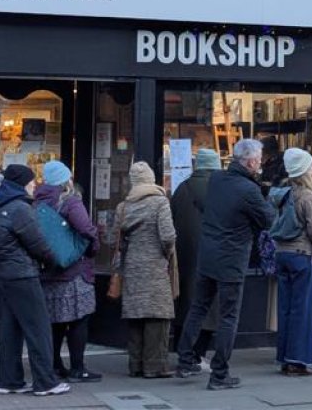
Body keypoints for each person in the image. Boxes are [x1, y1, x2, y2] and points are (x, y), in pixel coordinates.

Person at [176, 139, 275, 389]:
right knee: (228, 316)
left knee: (199, 307)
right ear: (251, 161)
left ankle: (186, 358)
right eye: (259, 158)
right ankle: (219, 373)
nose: (261, 162)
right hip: (231, 258)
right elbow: (268, 219)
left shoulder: (218, 180)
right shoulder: (248, 189)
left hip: (208, 254)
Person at [0, 164, 69, 396]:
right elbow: (38, 245)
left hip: (4, 274)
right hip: (23, 275)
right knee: (39, 329)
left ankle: (9, 380)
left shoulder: (0, 206)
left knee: (11, 330)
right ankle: (46, 382)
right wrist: (55, 261)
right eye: (32, 181)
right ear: (21, 183)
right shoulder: (20, 209)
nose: (35, 185)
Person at [34, 160, 101, 383]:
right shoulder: (69, 201)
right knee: (79, 319)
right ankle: (78, 368)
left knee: (55, 321)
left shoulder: (36, 201)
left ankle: (54, 365)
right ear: (66, 180)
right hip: (74, 271)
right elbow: (85, 229)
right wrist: (94, 246)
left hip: (48, 270)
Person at [117, 161, 176, 379]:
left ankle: (135, 365)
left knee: (136, 316)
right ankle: (155, 366)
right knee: (157, 317)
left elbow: (116, 239)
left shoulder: (123, 207)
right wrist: (166, 253)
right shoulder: (160, 202)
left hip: (132, 265)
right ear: (151, 179)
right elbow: (168, 235)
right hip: (155, 265)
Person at [271, 147, 312, 376]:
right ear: (304, 170)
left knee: (285, 308)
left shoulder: (282, 193)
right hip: (302, 255)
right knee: (304, 309)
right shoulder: (306, 195)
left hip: (282, 254)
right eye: (310, 166)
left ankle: (285, 357)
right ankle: (300, 359)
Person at [170, 148, 221, 369]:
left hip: (183, 256)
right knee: (210, 306)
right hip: (213, 255)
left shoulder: (181, 189)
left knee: (187, 304)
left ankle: (184, 352)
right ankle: (197, 355)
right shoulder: (220, 189)